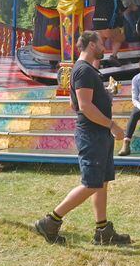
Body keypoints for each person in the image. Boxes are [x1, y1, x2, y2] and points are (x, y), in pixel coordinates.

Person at [33, 31, 131, 246]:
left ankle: (103, 230)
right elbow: (84, 106)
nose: (104, 45)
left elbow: (75, 104)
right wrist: (112, 125)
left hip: (98, 134)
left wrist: (106, 95)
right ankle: (50, 221)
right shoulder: (84, 71)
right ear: (91, 44)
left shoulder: (87, 71)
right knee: (90, 184)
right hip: (93, 134)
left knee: (101, 182)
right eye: (101, 42)